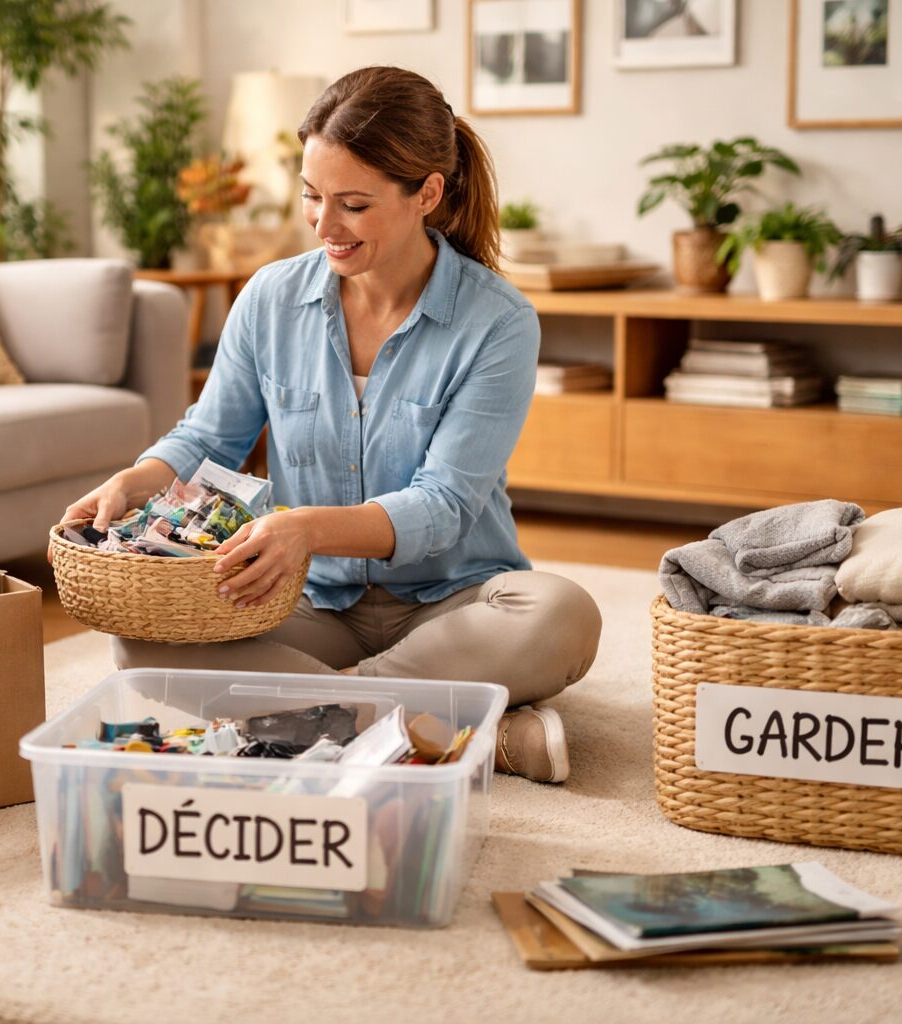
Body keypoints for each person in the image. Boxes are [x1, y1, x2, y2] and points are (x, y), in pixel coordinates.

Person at [60, 66, 601, 783]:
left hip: (453, 601)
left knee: (564, 615)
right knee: (140, 642)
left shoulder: (497, 323)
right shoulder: (270, 299)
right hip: (305, 598)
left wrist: (305, 527)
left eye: (352, 204)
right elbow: (208, 439)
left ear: (427, 194)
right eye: (312, 197)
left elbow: (444, 506)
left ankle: (325, 712)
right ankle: (443, 729)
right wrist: (136, 481)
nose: (323, 225)